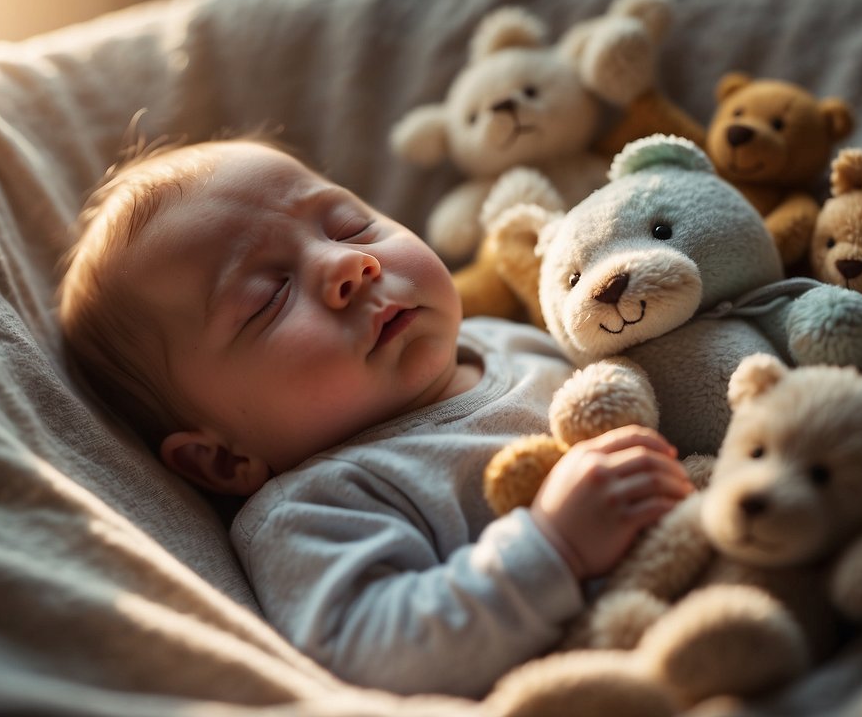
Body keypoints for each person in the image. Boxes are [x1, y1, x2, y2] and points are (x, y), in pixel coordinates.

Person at [57, 138, 693, 698]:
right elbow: (371, 650)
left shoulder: (507, 339)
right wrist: (553, 548)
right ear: (224, 458)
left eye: (349, 225)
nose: (350, 265)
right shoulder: (314, 508)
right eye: (267, 299)